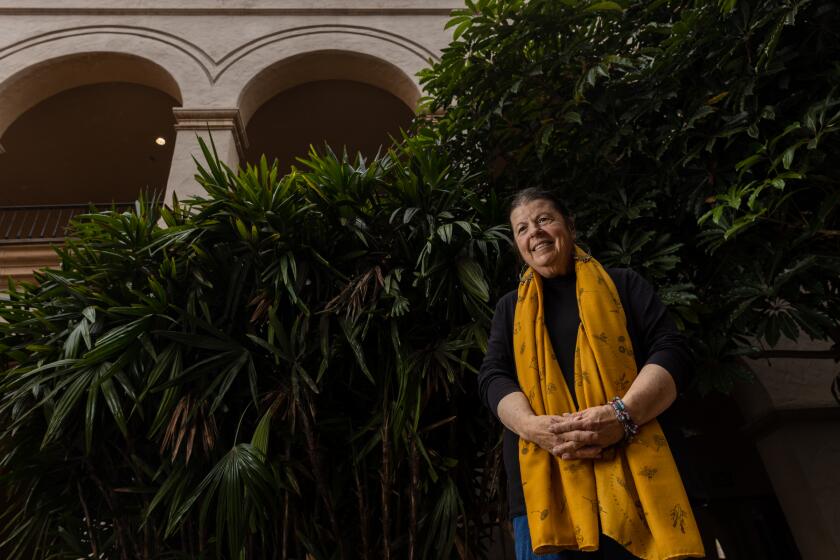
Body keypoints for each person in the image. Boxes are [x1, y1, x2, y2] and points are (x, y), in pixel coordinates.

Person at [478, 188, 705, 559]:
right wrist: (534, 428)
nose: (533, 232)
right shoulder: (509, 310)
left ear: (569, 225)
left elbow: (673, 352)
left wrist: (622, 416)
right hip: (547, 486)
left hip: (638, 471)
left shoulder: (623, 284)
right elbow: (493, 376)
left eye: (543, 219)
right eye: (521, 229)